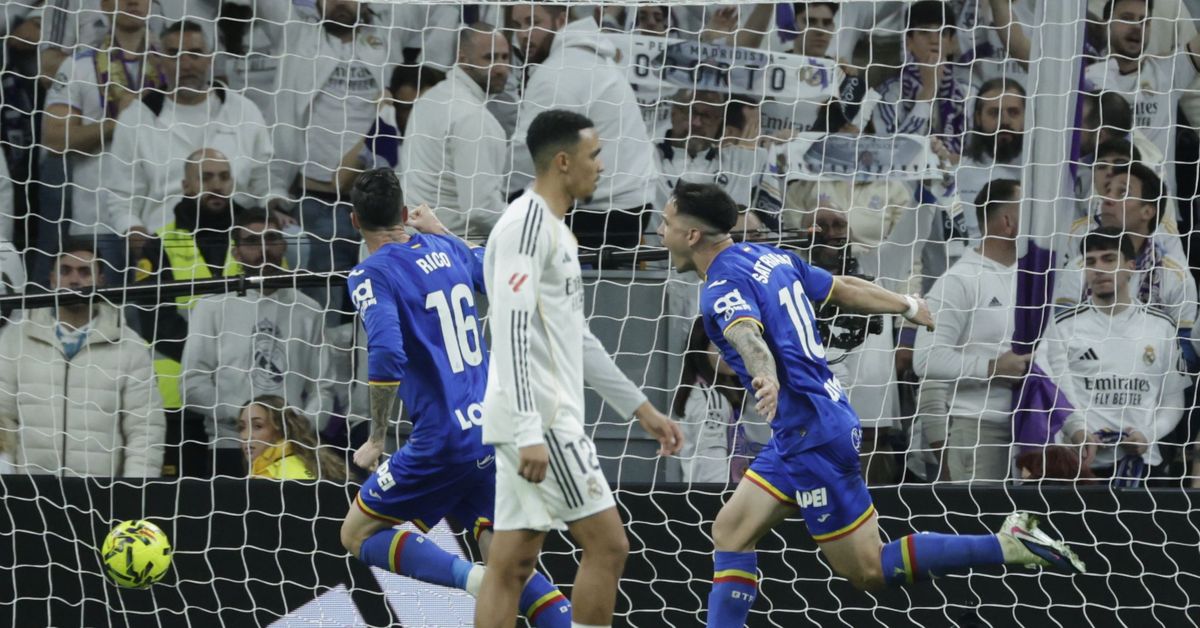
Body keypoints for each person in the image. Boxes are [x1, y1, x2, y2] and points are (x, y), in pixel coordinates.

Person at [655, 181, 1083, 627]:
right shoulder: (769, 257)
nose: (661, 232)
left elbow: (747, 336)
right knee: (730, 531)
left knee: (869, 570)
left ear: (691, 235)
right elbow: (841, 287)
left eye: (666, 223)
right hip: (805, 427)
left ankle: (1009, 543)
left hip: (812, 437)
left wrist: (766, 377)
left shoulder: (720, 286)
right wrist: (906, 304)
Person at [474, 110, 683, 628]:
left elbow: (577, 335)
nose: (602, 166)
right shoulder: (525, 227)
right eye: (595, 155)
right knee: (609, 546)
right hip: (541, 418)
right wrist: (529, 430)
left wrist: (641, 408)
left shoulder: (556, 232)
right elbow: (510, 330)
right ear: (563, 162)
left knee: (511, 565)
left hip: (532, 416)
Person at [336, 169, 573, 628]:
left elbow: (386, 352)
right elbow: (493, 275)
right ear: (406, 213)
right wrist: (442, 230)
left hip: (442, 440)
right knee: (509, 562)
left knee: (357, 533)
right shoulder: (444, 247)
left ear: (354, 220)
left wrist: (377, 436)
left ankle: (472, 580)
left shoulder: (369, 273)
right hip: (492, 427)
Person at [181, 209, 333, 477]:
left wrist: (300, 425)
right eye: (252, 241)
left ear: (283, 244)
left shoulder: (308, 310)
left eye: (271, 238)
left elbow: (324, 388)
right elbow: (191, 385)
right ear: (236, 253)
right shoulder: (212, 306)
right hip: (229, 446)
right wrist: (247, 418)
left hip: (292, 448)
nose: (264, 249)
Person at [103, 19, 279, 242]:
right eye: (174, 55)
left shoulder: (243, 110)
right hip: (164, 241)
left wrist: (275, 206)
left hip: (239, 241)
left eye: (195, 54)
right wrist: (140, 240)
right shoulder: (136, 118)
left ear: (210, 59)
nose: (185, 64)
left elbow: (265, 181)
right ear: (159, 60)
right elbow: (122, 199)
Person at [0, 241, 165, 477]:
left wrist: (134, 490)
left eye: (84, 272)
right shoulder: (15, 339)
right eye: (65, 271)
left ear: (101, 280)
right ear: (52, 279)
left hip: (102, 491)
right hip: (30, 490)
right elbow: (3, 418)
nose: (74, 280)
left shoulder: (130, 346)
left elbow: (145, 430)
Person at [1039, 228, 1187, 486]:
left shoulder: (1161, 327)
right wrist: (1078, 431)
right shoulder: (1062, 326)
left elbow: (1174, 400)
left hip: (1142, 465)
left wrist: (1148, 435)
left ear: (1130, 266)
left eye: (1109, 259)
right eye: (1091, 262)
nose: (1099, 269)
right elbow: (1054, 395)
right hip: (1080, 466)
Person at [509, 5, 660, 256]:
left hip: (599, 214)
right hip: (631, 205)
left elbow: (526, 155)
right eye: (517, 25)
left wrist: (499, 200)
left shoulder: (558, 72)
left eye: (533, 22)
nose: (524, 34)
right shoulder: (592, 58)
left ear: (561, 20)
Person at [914, 180, 1026, 482]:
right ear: (1008, 222)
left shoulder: (1034, 277)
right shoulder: (958, 280)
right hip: (979, 429)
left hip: (1034, 428)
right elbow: (925, 359)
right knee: (979, 515)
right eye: (1030, 210)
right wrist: (991, 368)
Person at [401, 24, 511, 239]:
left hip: (414, 240)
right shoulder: (474, 118)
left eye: (505, 57)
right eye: (489, 58)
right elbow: (481, 210)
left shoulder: (431, 98)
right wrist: (528, 226)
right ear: (463, 57)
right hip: (454, 245)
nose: (500, 68)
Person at [239, 395, 347, 482]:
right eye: (242, 427)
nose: (245, 436)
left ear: (282, 429)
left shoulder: (290, 472)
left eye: (258, 426)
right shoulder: (267, 470)